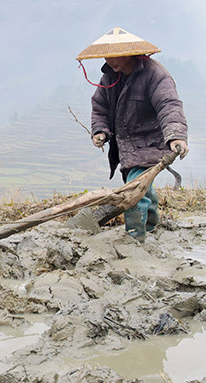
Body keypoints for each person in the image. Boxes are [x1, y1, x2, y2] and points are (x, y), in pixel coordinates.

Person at [77, 27, 188, 242]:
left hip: (149, 143)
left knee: (133, 194)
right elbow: (100, 107)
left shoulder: (155, 75)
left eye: (115, 56)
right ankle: (152, 226)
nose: (109, 60)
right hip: (125, 146)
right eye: (106, 55)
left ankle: (135, 238)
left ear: (130, 53)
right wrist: (100, 131)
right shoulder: (109, 76)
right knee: (144, 190)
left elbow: (169, 106)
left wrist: (176, 135)